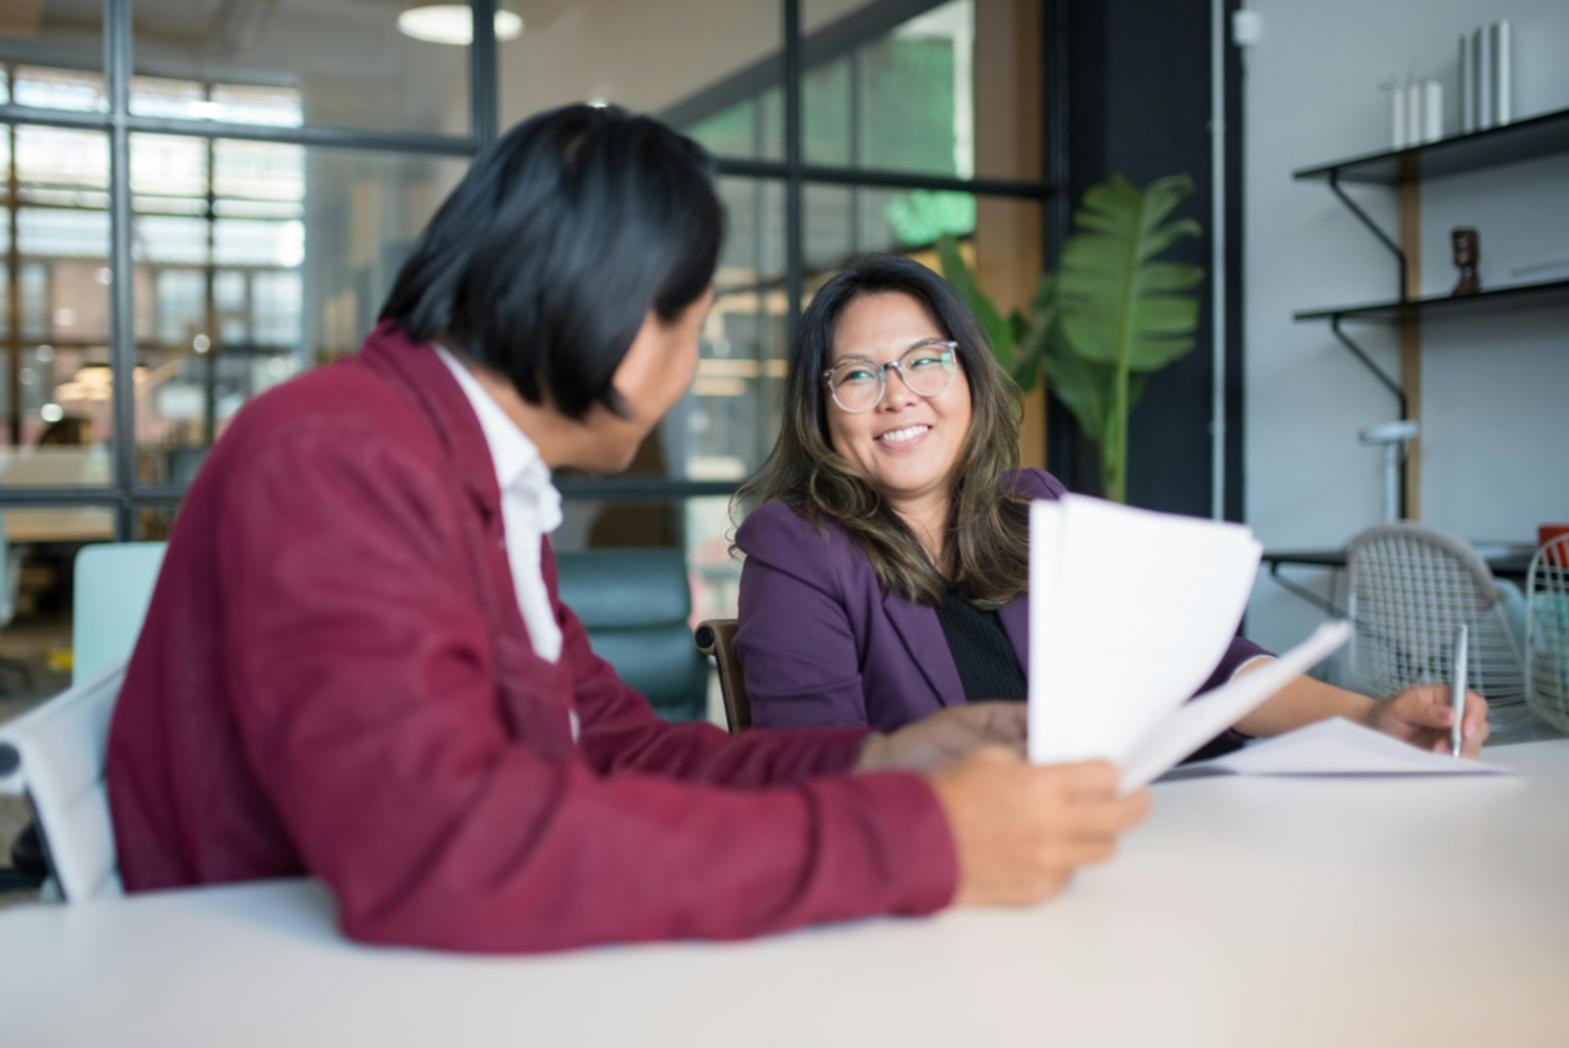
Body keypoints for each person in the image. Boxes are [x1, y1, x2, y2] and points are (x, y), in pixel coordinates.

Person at [106, 106, 1148, 955]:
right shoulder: (337, 455)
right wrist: (925, 838)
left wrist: (882, 760)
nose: (691, 369)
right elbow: (445, 853)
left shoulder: (470, 474)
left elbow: (621, 750)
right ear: (619, 327)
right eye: (694, 327)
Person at [732, 255, 1490, 757]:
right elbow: (814, 762)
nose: (899, 394)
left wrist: (1363, 720)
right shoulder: (796, 546)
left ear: (968, 378)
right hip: (949, 879)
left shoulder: (1034, 510)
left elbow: (1200, 665)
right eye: (857, 376)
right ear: (822, 410)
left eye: (925, 361)